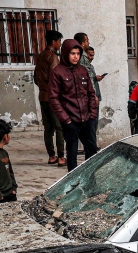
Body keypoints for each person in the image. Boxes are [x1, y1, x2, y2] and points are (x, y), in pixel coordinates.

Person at [48, 38, 99, 171]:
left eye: (78, 53)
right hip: (71, 121)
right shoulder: (57, 72)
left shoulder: (82, 70)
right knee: (72, 154)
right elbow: (53, 99)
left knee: (92, 150)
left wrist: (92, 114)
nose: (76, 57)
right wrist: (66, 120)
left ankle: (90, 178)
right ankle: (73, 182)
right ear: (65, 53)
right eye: (73, 53)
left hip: (87, 119)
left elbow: (90, 93)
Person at [33, 29, 65, 166]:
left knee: (48, 128)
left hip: (43, 96)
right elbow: (56, 78)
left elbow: (35, 78)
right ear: (54, 41)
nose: (60, 44)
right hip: (53, 97)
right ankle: (62, 157)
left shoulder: (40, 56)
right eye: (59, 41)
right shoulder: (53, 57)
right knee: (59, 127)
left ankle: (51, 156)